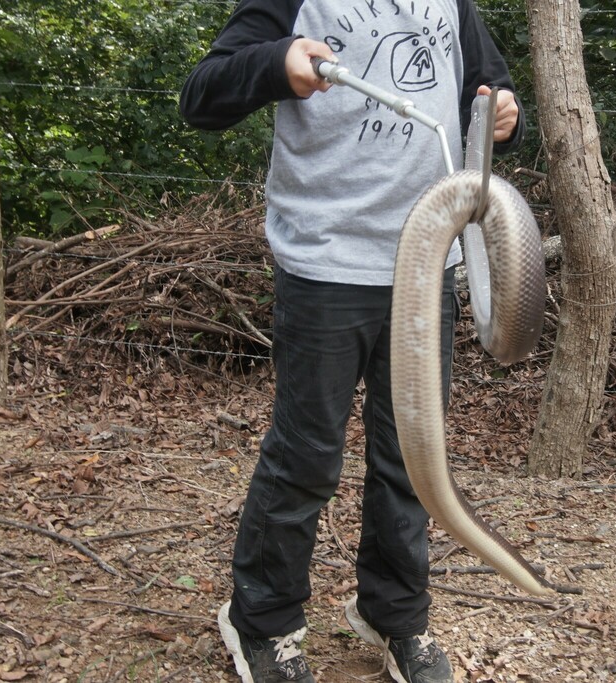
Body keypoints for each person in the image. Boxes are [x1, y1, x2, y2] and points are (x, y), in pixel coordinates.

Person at [180, 2, 524, 681]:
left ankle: (395, 615)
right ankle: (261, 620)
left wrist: (504, 115)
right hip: (326, 263)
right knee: (306, 457)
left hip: (427, 264)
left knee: (412, 461)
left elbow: (488, 94)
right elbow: (202, 96)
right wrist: (275, 64)